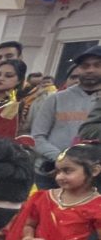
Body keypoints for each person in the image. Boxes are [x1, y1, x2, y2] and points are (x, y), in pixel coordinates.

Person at [30, 45, 101, 185]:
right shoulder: (56, 99)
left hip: (94, 176)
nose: (90, 70)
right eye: (85, 66)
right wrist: (62, 159)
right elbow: (37, 137)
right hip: (52, 173)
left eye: (97, 65)